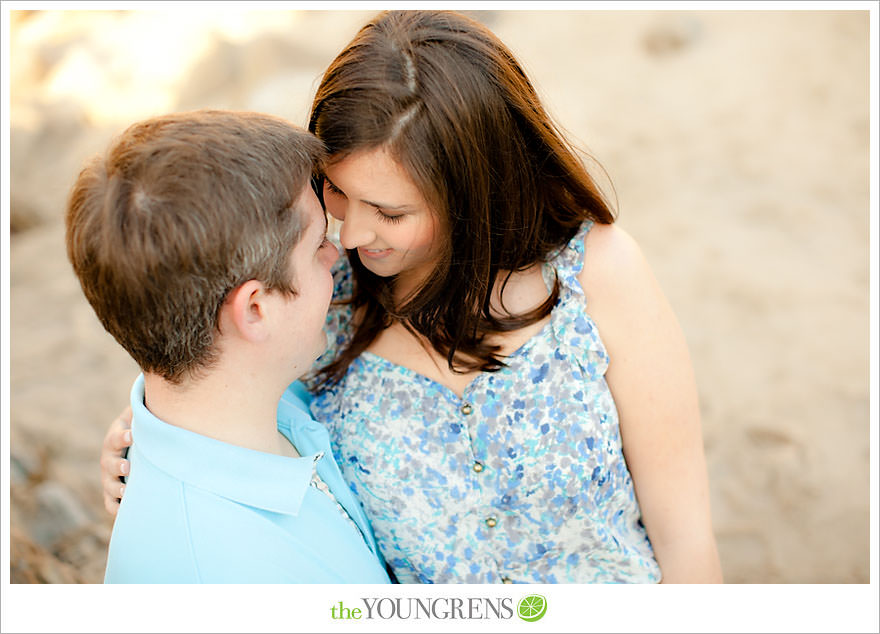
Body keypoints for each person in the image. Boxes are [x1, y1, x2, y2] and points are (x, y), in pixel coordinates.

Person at [100, 11, 723, 583]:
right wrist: (140, 449)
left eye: (390, 212)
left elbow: (686, 539)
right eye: (337, 193)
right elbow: (209, 377)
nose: (353, 234)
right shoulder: (318, 303)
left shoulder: (597, 275)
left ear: (475, 195)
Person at [69, 110, 390, 583]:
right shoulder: (223, 575)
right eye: (318, 244)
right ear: (256, 309)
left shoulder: (254, 401)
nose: (337, 253)